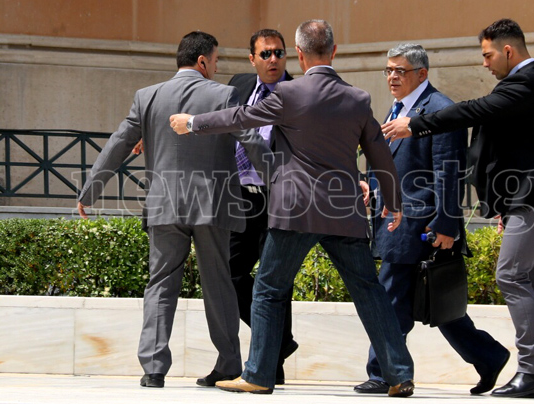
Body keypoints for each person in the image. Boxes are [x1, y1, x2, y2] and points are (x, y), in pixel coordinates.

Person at [170, 19, 415, 397]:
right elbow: (379, 152)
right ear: (334, 51)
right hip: (343, 211)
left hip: (295, 211)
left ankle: (258, 374)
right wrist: (394, 201)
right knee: (369, 291)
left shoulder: (289, 93)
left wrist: (192, 122)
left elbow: (240, 117)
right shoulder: (358, 98)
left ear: (299, 54)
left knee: (268, 289)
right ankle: (398, 374)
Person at [381, 19, 534, 399]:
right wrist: (504, 204)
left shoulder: (527, 83)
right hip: (532, 198)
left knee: (512, 276)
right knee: (530, 280)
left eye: (488, 55)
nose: (484, 63)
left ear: (508, 50)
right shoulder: (527, 87)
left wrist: (415, 125)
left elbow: (473, 111)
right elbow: (516, 150)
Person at [78, 31, 271, 388]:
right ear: (202, 61)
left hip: (164, 204)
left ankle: (153, 368)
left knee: (161, 283)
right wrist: (281, 183)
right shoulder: (225, 95)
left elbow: (119, 143)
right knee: (218, 284)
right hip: (212, 205)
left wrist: (90, 191)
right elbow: (252, 142)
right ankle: (228, 363)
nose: (217, 67)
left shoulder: (147, 97)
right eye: (215, 60)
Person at [354, 43, 510, 396]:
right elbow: (395, 162)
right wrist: (373, 187)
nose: (392, 77)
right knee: (439, 303)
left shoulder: (440, 110)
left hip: (419, 224)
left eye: (400, 71)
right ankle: (488, 356)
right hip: (397, 221)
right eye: (389, 70)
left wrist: (445, 224)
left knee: (391, 297)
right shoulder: (398, 107)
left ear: (422, 73)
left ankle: (385, 373)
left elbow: (448, 172)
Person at [222, 28, 298, 387]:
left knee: (276, 279)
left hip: (278, 197)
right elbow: (210, 116)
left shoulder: (298, 92)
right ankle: (279, 342)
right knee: (231, 272)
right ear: (252, 58)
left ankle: (272, 363)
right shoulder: (237, 85)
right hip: (241, 196)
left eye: (279, 53)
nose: (273, 60)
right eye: (265, 54)